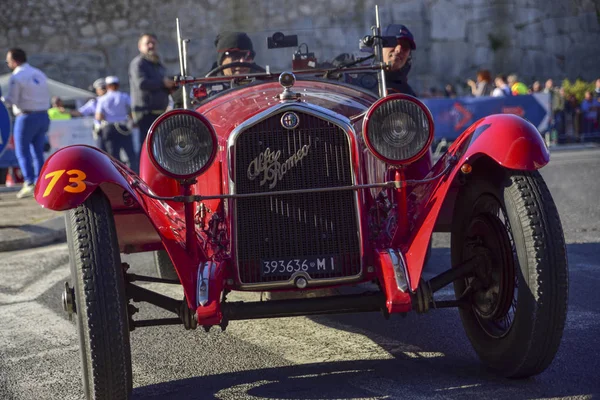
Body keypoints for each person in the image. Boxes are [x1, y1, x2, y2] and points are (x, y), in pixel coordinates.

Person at [1, 48, 50, 199]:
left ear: (14, 61)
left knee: (22, 152)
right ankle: (42, 182)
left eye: (8, 60)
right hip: (43, 115)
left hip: (26, 116)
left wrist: (2, 102)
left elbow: (12, 100)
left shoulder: (17, 76)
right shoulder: (39, 73)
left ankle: (29, 182)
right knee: (37, 151)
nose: (7, 63)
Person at [129, 33, 177, 150]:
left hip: (159, 113)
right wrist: (163, 83)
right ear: (140, 46)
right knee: (147, 147)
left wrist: (170, 86)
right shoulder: (138, 63)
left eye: (153, 43)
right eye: (147, 43)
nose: (151, 46)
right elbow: (141, 83)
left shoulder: (158, 65)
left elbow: (161, 84)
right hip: (145, 113)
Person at [95, 76, 137, 171]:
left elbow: (98, 116)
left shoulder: (102, 99)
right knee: (130, 154)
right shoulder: (124, 96)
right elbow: (132, 110)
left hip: (109, 128)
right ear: (117, 85)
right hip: (123, 127)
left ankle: (117, 176)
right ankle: (134, 175)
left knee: (113, 156)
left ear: (107, 86)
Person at [380, 24, 417, 96]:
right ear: (379, 46)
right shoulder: (358, 82)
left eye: (405, 46)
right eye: (394, 42)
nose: (399, 49)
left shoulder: (409, 95)